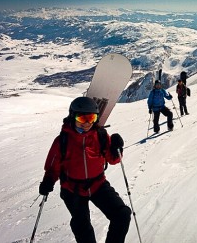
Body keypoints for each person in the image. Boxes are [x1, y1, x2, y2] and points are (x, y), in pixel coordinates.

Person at [38, 96, 131, 243]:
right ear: (72, 116)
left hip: (98, 184)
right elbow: (52, 167)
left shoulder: (100, 135)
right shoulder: (63, 140)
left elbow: (113, 160)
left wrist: (117, 148)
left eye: (91, 118)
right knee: (82, 226)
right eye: (82, 119)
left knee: (122, 215)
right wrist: (48, 181)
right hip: (72, 189)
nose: (87, 123)